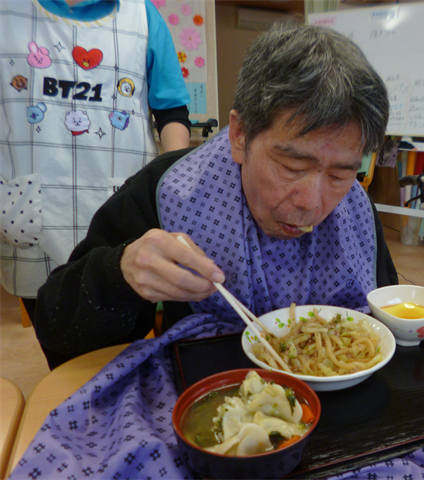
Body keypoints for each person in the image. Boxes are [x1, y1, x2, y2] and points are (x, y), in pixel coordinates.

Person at [33, 22, 398, 368]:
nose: (312, 203)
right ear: (240, 136)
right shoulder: (167, 190)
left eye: (340, 173)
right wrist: (120, 273)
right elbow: (59, 329)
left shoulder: (354, 205)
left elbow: (388, 315)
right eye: (292, 167)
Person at [0, 0, 191, 318]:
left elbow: (171, 110)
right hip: (31, 212)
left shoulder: (143, 16)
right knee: (56, 327)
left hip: (121, 213)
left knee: (124, 327)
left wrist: (176, 194)